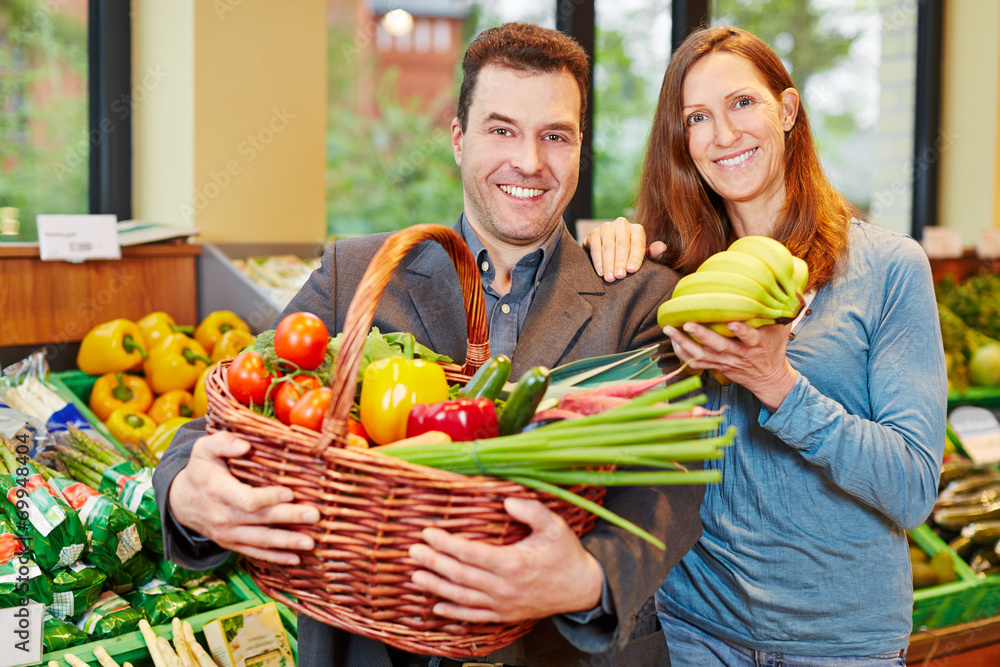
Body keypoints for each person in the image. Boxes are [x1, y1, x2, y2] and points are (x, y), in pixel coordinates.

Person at [153, 23, 706, 667]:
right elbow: (231, 411)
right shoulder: (354, 274)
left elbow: (670, 478)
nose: (529, 161)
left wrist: (590, 578)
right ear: (458, 138)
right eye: (502, 130)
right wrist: (187, 493)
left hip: (562, 648)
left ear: (579, 147)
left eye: (554, 135)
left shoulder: (638, 298)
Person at [586, 25, 946, 666]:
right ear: (683, 140)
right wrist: (614, 260)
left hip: (842, 646)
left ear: (786, 110)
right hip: (695, 631)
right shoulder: (674, 276)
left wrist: (778, 384)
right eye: (698, 117)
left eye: (742, 104)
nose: (723, 135)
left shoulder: (889, 268)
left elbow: (913, 489)